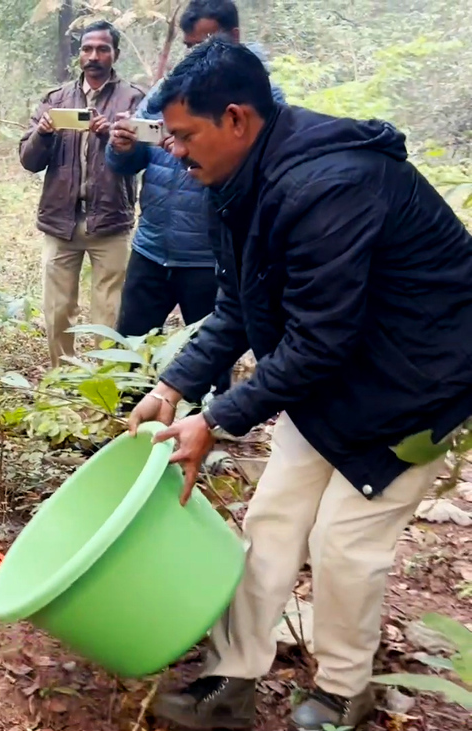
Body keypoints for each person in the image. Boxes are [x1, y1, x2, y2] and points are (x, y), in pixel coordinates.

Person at [128, 38, 472, 731]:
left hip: (418, 384)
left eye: (186, 135)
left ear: (236, 119)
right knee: (272, 520)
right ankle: (232, 677)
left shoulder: (330, 184)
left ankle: (346, 689)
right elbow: (241, 308)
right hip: (334, 375)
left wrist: (216, 418)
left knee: (347, 543)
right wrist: (174, 386)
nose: (175, 151)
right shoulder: (239, 183)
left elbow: (321, 337)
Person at [107, 0, 285, 398]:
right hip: (153, 243)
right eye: (190, 46)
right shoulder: (170, 88)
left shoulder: (261, 96)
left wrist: (190, 148)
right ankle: (123, 427)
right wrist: (121, 146)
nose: (199, 54)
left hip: (208, 254)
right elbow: (127, 162)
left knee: (209, 349)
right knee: (129, 348)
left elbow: (256, 179)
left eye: (208, 42)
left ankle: (204, 430)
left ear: (233, 38)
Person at [19, 21, 145, 366]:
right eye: (87, 49)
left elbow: (143, 160)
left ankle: (104, 385)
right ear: (79, 55)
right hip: (61, 222)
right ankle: (63, 378)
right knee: (58, 311)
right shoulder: (56, 100)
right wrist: (43, 133)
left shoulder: (132, 99)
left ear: (114, 54)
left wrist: (113, 139)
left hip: (110, 222)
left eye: (102, 49)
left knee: (110, 313)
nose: (94, 56)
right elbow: (29, 161)